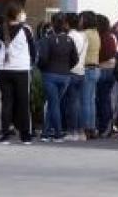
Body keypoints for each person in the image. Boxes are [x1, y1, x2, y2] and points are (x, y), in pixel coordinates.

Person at [0, 4, 36, 144]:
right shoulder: (26, 29)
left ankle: (5, 135)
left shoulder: (1, 29)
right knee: (23, 103)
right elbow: (33, 50)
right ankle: (25, 136)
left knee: (7, 102)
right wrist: (31, 63)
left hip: (4, 69)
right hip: (21, 69)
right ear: (18, 14)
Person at [37, 12, 77, 142]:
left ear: (53, 24)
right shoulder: (69, 40)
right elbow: (74, 59)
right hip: (65, 76)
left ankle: (58, 133)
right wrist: (66, 68)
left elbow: (42, 58)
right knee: (54, 103)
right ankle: (46, 132)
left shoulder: (47, 39)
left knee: (53, 104)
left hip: (50, 74)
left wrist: (42, 69)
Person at [64, 12, 87, 142]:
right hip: (81, 71)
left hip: (71, 71)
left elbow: (68, 55)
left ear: (67, 23)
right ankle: (81, 131)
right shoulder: (83, 36)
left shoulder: (70, 37)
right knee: (78, 103)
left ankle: (72, 131)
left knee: (71, 103)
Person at [95, 15, 118, 137]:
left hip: (101, 69)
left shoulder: (98, 37)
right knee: (106, 98)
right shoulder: (111, 36)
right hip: (111, 69)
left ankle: (102, 126)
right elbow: (115, 52)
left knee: (100, 98)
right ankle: (107, 125)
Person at [80, 11, 101, 139]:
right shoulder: (96, 33)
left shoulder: (85, 34)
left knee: (85, 101)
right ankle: (92, 127)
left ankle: (86, 128)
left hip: (87, 69)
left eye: (81, 18)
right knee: (91, 100)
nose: (80, 21)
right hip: (96, 68)